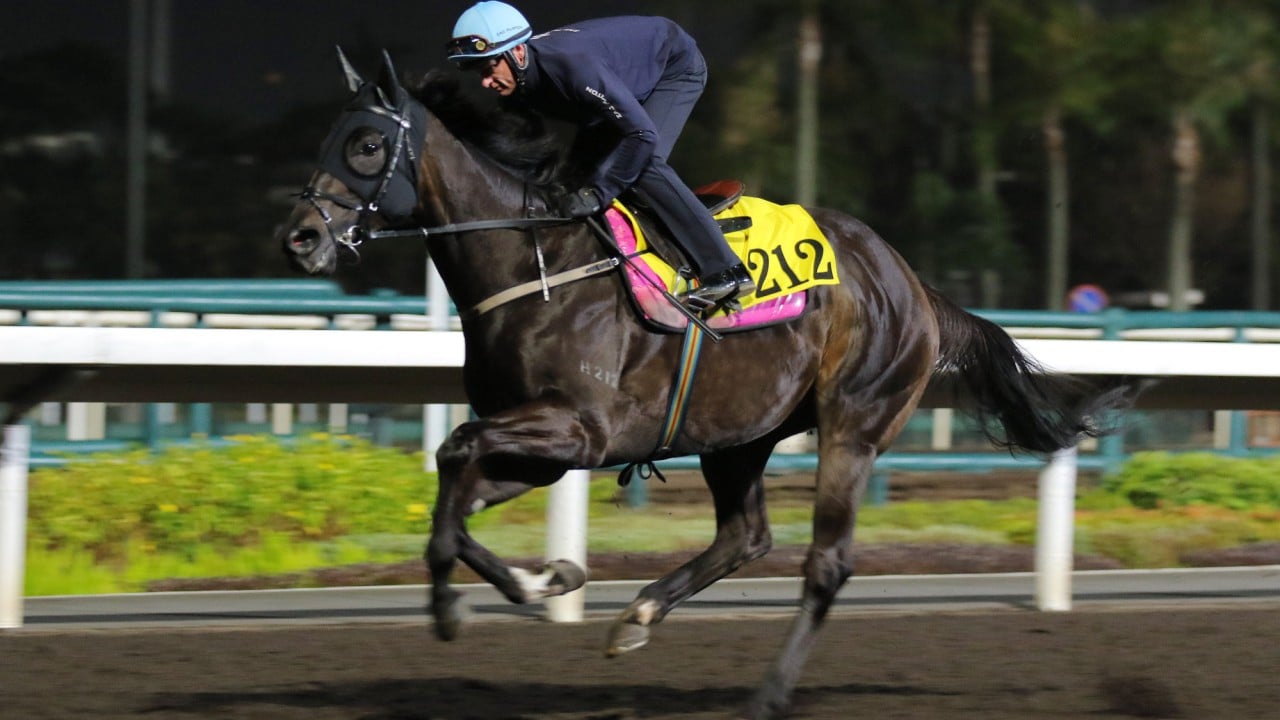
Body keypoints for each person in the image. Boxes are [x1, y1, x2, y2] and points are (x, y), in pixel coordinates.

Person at [446, 1, 756, 312]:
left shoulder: (571, 66)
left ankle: (726, 270)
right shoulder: (519, 86)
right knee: (575, 178)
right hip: (617, 86)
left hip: (673, 68)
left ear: (518, 53)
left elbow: (641, 135)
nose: (486, 81)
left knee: (642, 165)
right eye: (479, 73)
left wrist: (598, 192)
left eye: (489, 69)